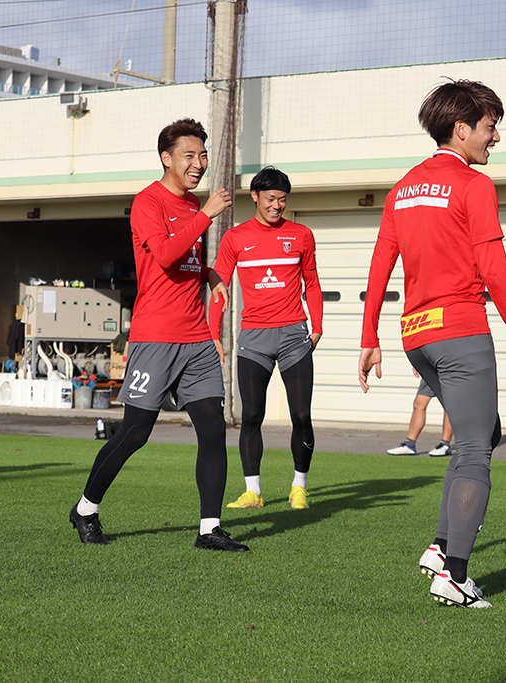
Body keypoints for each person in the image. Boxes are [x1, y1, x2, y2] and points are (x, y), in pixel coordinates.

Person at [359, 79, 506, 609]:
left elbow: (381, 263)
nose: (495, 138)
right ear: (462, 129)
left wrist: (369, 336)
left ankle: (440, 547)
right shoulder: (473, 185)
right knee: (474, 452)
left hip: (417, 334)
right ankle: (454, 574)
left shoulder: (403, 186)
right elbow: (493, 268)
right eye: (490, 128)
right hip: (461, 331)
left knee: (481, 432)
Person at [69, 118, 248, 551]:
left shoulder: (191, 208)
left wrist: (208, 273)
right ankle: (85, 509)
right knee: (136, 432)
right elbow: (165, 255)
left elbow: (183, 262)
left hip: (197, 340)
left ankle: (209, 529)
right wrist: (206, 214)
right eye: (190, 155)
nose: (199, 163)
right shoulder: (148, 202)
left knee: (212, 428)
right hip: (155, 337)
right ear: (166, 158)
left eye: (203, 155)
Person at [209, 166, 323, 510]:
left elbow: (313, 283)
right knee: (253, 416)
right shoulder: (235, 238)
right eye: (271, 199)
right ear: (255, 197)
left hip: (293, 336)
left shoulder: (301, 235)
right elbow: (218, 288)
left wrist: (316, 327)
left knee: (301, 414)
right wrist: (215, 335)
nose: (277, 206)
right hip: (253, 339)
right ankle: (253, 491)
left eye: (283, 200)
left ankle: (299, 486)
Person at [387, 372, 455, 457]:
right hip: (431, 368)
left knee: (449, 403)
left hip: (449, 368)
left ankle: (445, 445)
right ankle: (409, 445)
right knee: (419, 403)